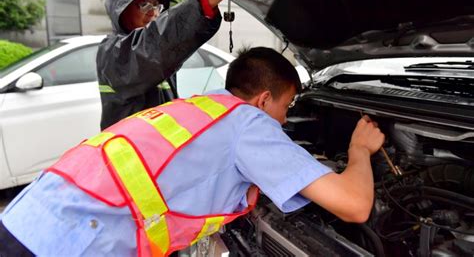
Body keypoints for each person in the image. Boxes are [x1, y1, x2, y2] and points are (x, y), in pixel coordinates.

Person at [0, 47, 384, 256]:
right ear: (264, 99)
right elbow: (354, 205)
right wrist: (359, 150)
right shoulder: (249, 124)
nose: (283, 121)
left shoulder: (201, 105)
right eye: (285, 108)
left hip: (30, 215)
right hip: (69, 243)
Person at [97, 0, 238, 130]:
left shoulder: (154, 54)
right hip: (133, 156)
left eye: (157, 5)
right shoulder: (113, 53)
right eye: (144, 4)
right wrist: (205, 1)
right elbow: (153, 47)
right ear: (120, 10)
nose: (153, 12)